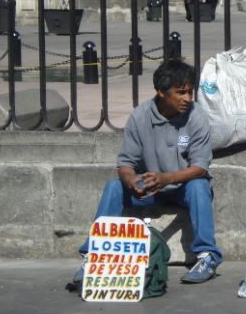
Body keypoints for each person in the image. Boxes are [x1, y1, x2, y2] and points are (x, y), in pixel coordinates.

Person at [75, 60, 222, 284]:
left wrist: (167, 178)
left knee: (200, 186)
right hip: (150, 188)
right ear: (161, 92)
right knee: (115, 187)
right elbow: (125, 162)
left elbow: (200, 167)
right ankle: (93, 255)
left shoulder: (197, 117)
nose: (187, 98)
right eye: (181, 93)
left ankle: (207, 256)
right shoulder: (140, 116)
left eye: (190, 92)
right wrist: (130, 180)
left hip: (182, 187)